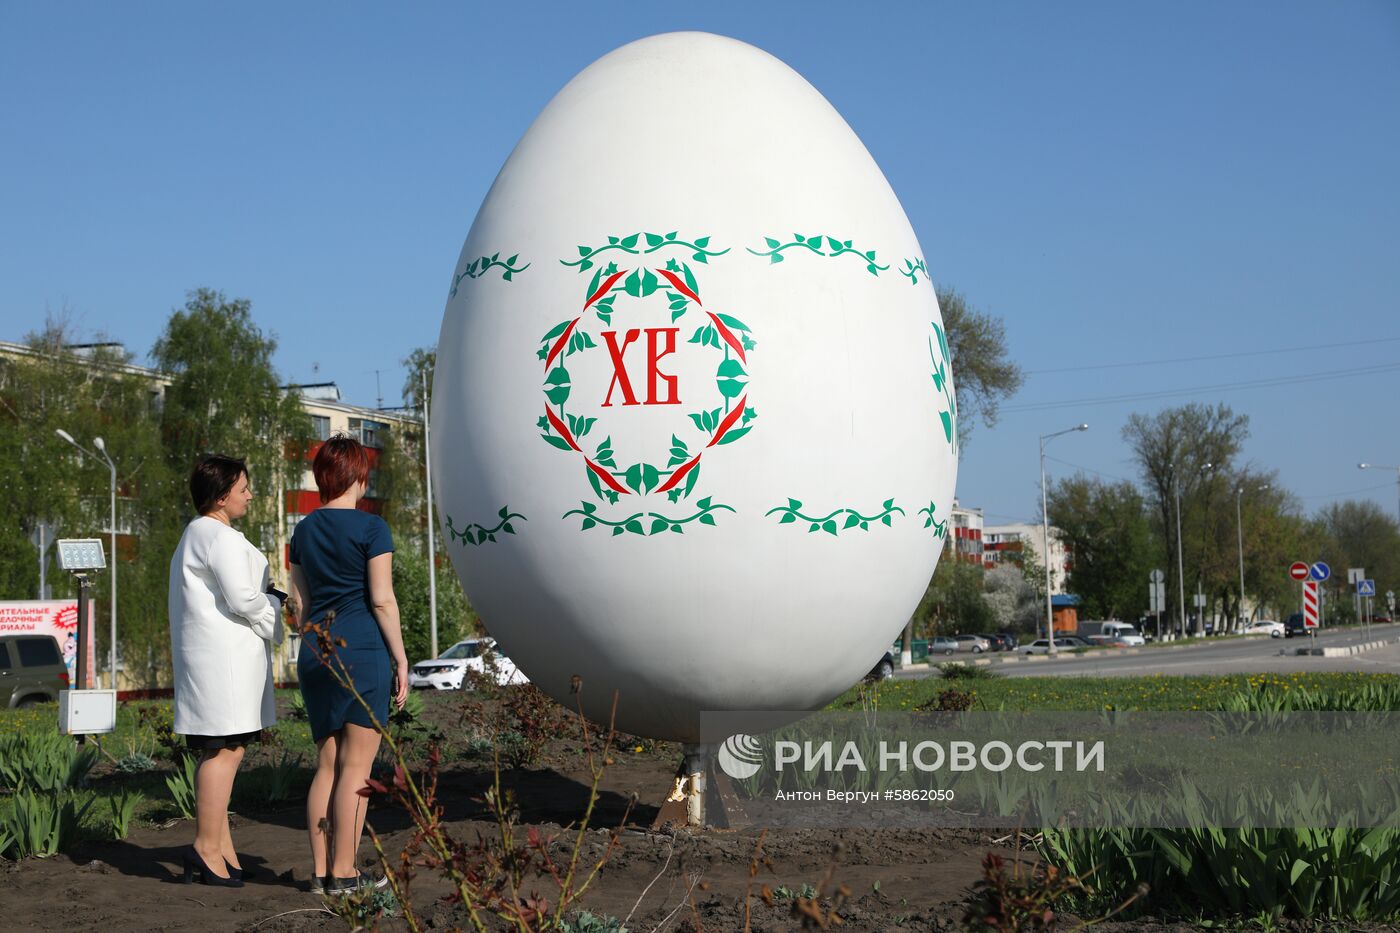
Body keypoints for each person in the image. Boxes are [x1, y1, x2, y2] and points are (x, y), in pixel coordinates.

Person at [290, 434, 409, 896]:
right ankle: (345, 873)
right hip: (361, 651)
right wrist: (400, 658)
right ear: (358, 476)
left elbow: (301, 607)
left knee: (327, 766)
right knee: (357, 768)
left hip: (316, 652)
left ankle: (321, 874)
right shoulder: (371, 528)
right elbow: (382, 599)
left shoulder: (302, 530)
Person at [168, 454, 284, 887]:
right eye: (243, 489)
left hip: (215, 659)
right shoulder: (216, 536)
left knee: (223, 748)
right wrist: (275, 605)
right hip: (224, 663)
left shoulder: (200, 534)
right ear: (221, 497)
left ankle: (221, 848)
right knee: (225, 750)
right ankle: (204, 846)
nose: (250, 495)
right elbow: (243, 599)